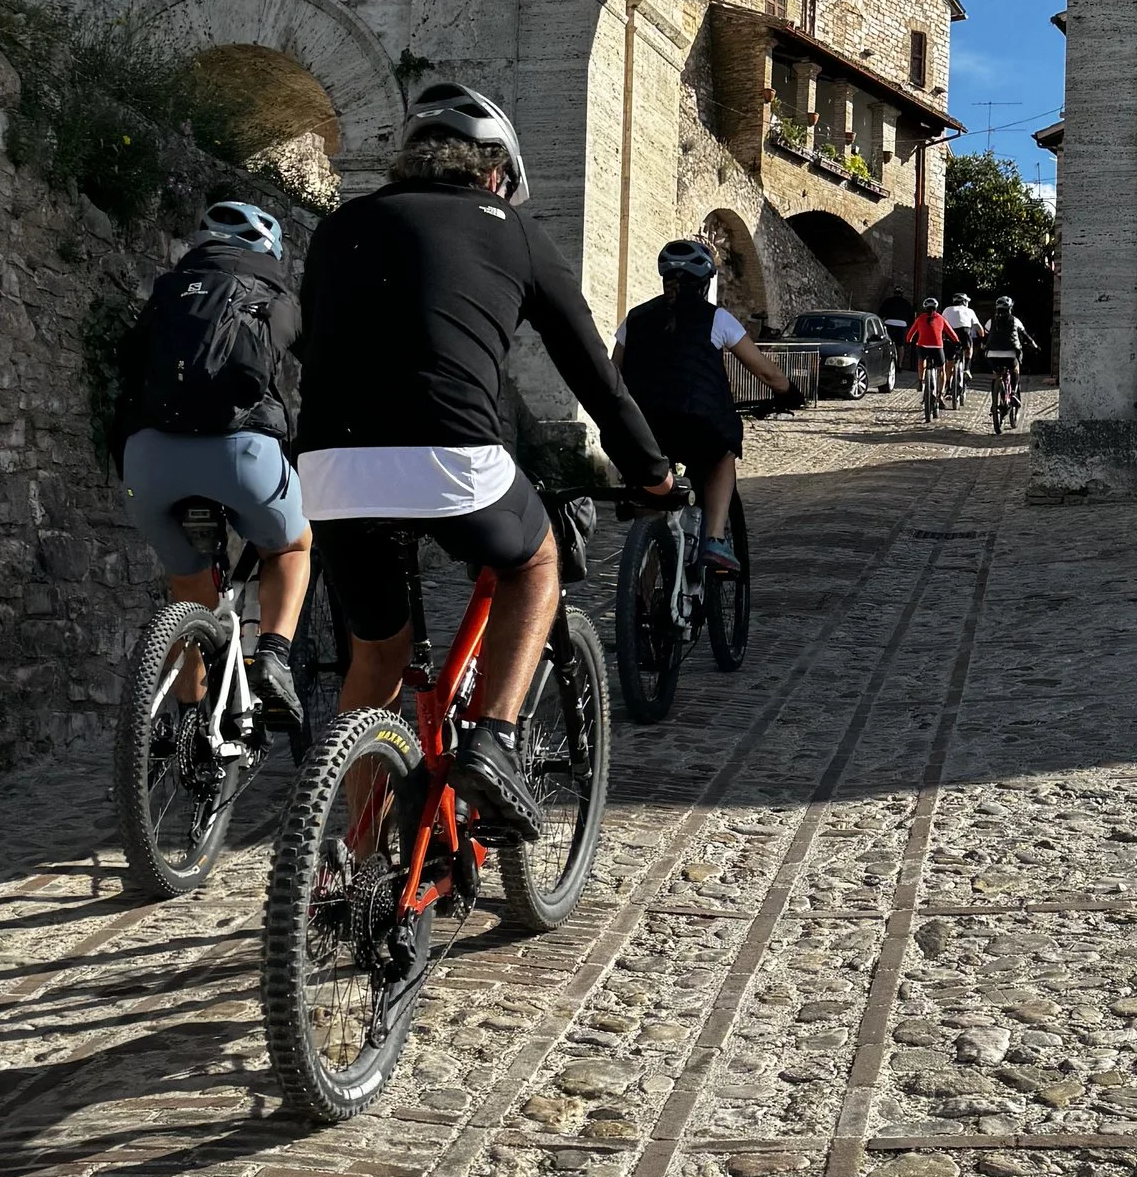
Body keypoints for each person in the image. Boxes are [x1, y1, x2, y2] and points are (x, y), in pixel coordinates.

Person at [294, 83, 678, 832]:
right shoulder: (512, 229)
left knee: (376, 657)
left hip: (330, 469)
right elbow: (592, 370)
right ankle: (496, 740)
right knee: (533, 561)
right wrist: (651, 470)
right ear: (496, 173)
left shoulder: (339, 224)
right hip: (452, 457)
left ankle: (363, 855)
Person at [111, 198, 314, 733]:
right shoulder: (275, 295)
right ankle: (273, 656)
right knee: (291, 548)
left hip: (149, 461)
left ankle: (186, 726)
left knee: (189, 588)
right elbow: (321, 369)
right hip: (240, 457)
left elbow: (127, 370)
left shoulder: (164, 294)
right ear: (269, 251)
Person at [614, 238, 803, 573]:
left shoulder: (635, 319)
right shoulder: (716, 318)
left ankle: (642, 603)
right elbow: (764, 371)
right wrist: (790, 394)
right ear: (705, 283)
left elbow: (614, 373)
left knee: (652, 507)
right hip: (696, 423)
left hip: (641, 428)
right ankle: (714, 539)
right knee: (723, 454)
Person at [980, 293, 1034, 413]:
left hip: (992, 354)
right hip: (1010, 353)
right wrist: (1033, 344)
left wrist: (983, 345)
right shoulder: (1015, 320)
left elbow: (985, 335)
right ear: (1010, 308)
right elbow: (1025, 335)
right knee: (1015, 368)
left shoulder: (991, 320)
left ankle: (995, 400)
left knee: (997, 374)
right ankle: (1013, 393)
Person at [905, 296, 957, 401]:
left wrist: (908, 341)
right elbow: (951, 332)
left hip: (922, 346)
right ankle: (940, 395)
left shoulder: (920, 318)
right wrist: (957, 341)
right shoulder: (941, 318)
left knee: (921, 360)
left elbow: (911, 333)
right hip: (937, 347)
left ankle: (920, 381)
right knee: (941, 369)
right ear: (936, 308)